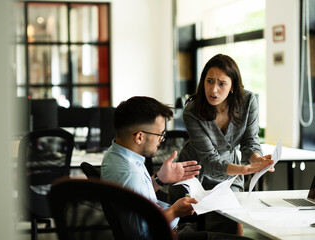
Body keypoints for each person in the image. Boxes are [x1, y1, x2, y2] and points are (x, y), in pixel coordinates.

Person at [101, 96, 253, 240]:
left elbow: (136, 198)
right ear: (139, 137)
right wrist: (174, 211)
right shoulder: (129, 172)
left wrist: (159, 179)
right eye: (160, 134)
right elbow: (141, 234)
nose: (162, 139)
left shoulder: (116, 154)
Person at [168, 54, 274, 235]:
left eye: (222, 83)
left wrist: (256, 159)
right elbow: (209, 161)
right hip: (193, 173)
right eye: (209, 81)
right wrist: (244, 169)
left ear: (232, 86)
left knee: (231, 225)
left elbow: (250, 141)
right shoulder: (192, 110)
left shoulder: (247, 102)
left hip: (229, 176)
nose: (213, 90)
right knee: (191, 230)